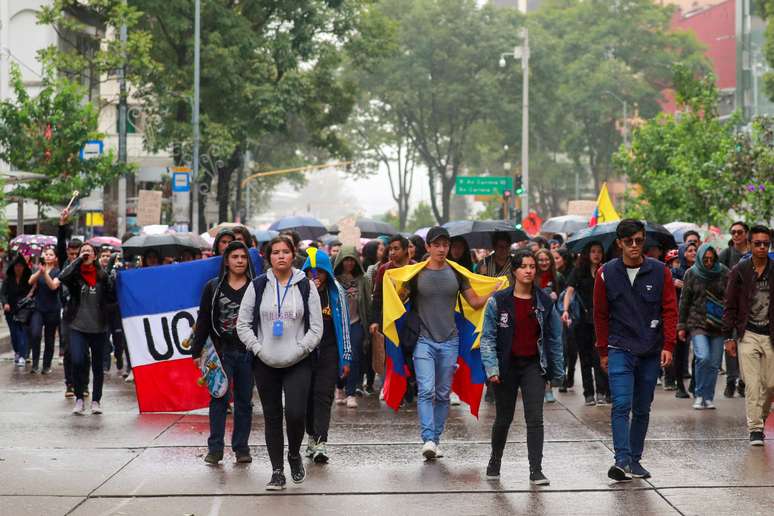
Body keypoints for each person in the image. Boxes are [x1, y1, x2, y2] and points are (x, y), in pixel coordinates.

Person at [236, 236, 323, 490]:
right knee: (272, 417)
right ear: (268, 256)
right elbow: (243, 324)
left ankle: (294, 455)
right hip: (265, 362)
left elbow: (316, 328)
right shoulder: (258, 285)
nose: (281, 256)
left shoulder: (306, 286)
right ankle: (277, 472)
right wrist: (257, 348)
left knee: (295, 414)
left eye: (286, 251)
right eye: (276, 252)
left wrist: (301, 349)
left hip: (298, 361)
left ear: (293, 254)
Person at [594, 219, 677, 481]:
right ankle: (621, 460)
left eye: (639, 241)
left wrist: (669, 345)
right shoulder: (605, 273)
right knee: (621, 404)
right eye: (628, 241)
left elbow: (670, 310)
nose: (634, 246)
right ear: (619, 243)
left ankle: (635, 460)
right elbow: (600, 315)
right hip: (619, 347)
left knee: (642, 407)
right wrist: (603, 351)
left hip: (651, 349)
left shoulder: (660, 271)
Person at [404, 227, 493, 459]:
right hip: (423, 340)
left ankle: (436, 438)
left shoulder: (457, 272)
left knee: (443, 394)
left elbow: (474, 302)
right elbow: (399, 295)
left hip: (450, 341)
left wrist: (497, 289)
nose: (442, 249)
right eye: (437, 244)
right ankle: (429, 439)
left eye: (445, 245)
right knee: (425, 390)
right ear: (428, 247)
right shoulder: (415, 273)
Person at [481, 249, 564, 485]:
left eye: (532, 266)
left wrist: (556, 372)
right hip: (506, 366)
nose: (528, 270)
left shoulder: (545, 301)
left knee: (535, 418)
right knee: (503, 418)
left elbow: (555, 338)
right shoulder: (498, 301)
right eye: (523, 266)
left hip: (533, 366)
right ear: (514, 270)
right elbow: (487, 337)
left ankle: (536, 469)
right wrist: (492, 369)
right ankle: (495, 460)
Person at [191, 241, 256, 465]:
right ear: (226, 261)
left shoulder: (255, 287)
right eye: (235, 256)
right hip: (220, 353)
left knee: (244, 403)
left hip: (248, 353)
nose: (239, 260)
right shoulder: (213, 287)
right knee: (218, 399)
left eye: (243, 257)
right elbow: (203, 322)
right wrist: (196, 352)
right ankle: (215, 449)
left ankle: (241, 448)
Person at [722, 225, 772, 446]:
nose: (762, 247)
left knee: (770, 385)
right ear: (750, 245)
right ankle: (755, 429)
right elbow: (730, 305)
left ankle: (759, 417)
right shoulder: (740, 270)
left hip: (770, 334)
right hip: (748, 333)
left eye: (766, 243)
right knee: (752, 384)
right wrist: (729, 337)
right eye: (757, 243)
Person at [302, 249, 352, 463]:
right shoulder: (297, 291)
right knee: (304, 399)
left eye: (319, 272)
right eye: (310, 272)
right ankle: (311, 436)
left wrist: (346, 357)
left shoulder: (337, 292)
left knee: (323, 396)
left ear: (328, 273)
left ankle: (321, 442)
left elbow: (344, 326)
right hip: (303, 354)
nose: (315, 276)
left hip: (329, 352)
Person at [59, 242, 116, 415]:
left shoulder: (102, 275)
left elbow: (112, 296)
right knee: (77, 360)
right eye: (83, 251)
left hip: (98, 327)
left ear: (95, 255)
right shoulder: (74, 275)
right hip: (77, 326)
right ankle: (79, 399)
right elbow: (62, 276)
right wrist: (77, 261)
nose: (86, 253)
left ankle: (96, 400)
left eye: (89, 251)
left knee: (98, 366)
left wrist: (112, 276)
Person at [677, 244, 729, 410]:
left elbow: (730, 298)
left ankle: (708, 397)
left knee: (714, 363)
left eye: (711, 259)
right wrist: (681, 326)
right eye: (705, 259)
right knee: (703, 357)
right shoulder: (691, 273)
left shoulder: (723, 272)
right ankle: (699, 394)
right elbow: (684, 302)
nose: (708, 263)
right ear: (700, 258)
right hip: (697, 322)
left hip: (719, 325)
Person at [562, 242, 609, 406]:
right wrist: (565, 310)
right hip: (582, 320)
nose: (596, 255)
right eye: (593, 251)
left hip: (601, 320)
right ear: (587, 254)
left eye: (599, 251)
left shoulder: (606, 270)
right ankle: (588, 393)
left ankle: (602, 392)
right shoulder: (578, 271)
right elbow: (569, 291)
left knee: (600, 356)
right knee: (585, 357)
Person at [334, 246, 371, 408]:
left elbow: (368, 304)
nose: (349, 263)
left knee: (354, 357)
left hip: (356, 323)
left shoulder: (363, 280)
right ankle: (340, 387)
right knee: (338, 358)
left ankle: (350, 392)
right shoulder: (333, 279)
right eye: (345, 259)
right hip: (338, 325)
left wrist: (369, 324)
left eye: (351, 259)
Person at [56, 208, 87, 398]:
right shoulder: (65, 265)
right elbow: (60, 244)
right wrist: (62, 224)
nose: (73, 256)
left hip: (86, 313)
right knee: (68, 349)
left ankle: (83, 385)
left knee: (85, 351)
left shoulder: (88, 267)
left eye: (77, 253)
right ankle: (70, 384)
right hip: (68, 313)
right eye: (71, 253)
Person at [720, 221, 751, 398]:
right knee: (730, 342)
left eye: (740, 232)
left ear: (746, 233)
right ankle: (731, 381)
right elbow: (718, 274)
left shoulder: (755, 251)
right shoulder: (726, 254)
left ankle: (744, 381)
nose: (736, 235)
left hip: (751, 307)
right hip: (731, 305)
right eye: (733, 232)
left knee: (747, 345)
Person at [28, 248, 61, 374]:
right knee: (35, 334)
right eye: (46, 254)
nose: (47, 256)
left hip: (53, 309)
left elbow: (53, 286)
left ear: (55, 258)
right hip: (38, 308)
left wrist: (45, 273)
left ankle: (46, 366)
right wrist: (40, 272)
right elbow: (30, 281)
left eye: (51, 254)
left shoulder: (58, 271)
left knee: (49, 338)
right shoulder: (39, 269)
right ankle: (35, 364)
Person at [1, 253, 32, 367]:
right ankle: (17, 352)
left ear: (24, 267)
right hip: (10, 310)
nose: (18, 268)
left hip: (23, 310)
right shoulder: (8, 279)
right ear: (13, 267)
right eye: (16, 266)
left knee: (22, 332)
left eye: (21, 266)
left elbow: (32, 291)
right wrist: (5, 303)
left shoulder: (28, 278)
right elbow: (3, 293)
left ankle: (23, 355)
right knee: (14, 333)